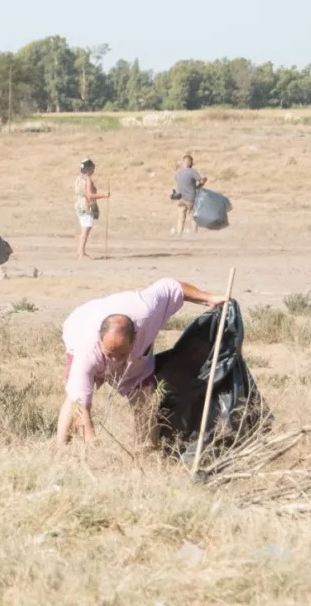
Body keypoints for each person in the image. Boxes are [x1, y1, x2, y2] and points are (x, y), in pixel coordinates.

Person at [56, 278, 227, 448]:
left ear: (135, 338)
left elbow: (173, 288)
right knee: (74, 397)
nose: (115, 361)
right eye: (110, 354)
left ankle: (145, 453)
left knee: (144, 400)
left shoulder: (147, 311)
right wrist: (94, 446)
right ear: (99, 340)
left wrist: (208, 298)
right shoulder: (85, 349)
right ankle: (60, 450)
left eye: (121, 354)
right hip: (79, 324)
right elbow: (80, 406)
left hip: (137, 358)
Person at [74, 159, 109, 260]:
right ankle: (81, 253)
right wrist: (104, 195)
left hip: (80, 205)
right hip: (86, 206)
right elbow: (89, 195)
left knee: (84, 229)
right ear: (89, 169)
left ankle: (80, 251)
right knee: (86, 230)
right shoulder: (87, 180)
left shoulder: (79, 178)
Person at [171, 155, 207, 236]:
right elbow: (200, 181)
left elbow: (178, 181)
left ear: (183, 162)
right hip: (191, 199)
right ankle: (194, 234)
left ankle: (179, 234)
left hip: (180, 198)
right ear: (190, 162)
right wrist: (203, 181)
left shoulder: (178, 172)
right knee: (194, 218)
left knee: (181, 218)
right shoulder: (192, 172)